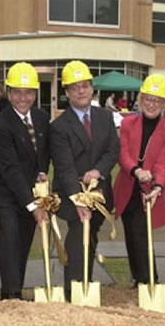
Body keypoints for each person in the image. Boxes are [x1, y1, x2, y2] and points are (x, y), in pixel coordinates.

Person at [50, 60, 120, 301]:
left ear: (92, 88)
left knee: (89, 239)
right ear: (67, 93)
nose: (81, 91)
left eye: (85, 85)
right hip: (73, 196)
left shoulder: (105, 117)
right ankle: (75, 289)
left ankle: (85, 283)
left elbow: (112, 151)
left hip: (99, 194)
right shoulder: (59, 126)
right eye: (75, 87)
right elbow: (65, 167)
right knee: (79, 237)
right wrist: (79, 200)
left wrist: (98, 171)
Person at [0, 62, 50, 300]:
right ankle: (9, 295)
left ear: (35, 93)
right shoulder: (0, 125)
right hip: (6, 192)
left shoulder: (42, 118)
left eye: (28, 92)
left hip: (31, 191)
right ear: (9, 93)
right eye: (17, 92)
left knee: (24, 239)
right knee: (10, 236)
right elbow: (11, 170)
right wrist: (33, 206)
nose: (23, 97)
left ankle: (18, 289)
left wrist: (43, 172)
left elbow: (44, 153)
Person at [113, 74, 165, 288]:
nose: (152, 104)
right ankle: (138, 277)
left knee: (141, 234)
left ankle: (149, 280)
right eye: (148, 99)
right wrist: (136, 170)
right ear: (141, 100)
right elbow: (123, 154)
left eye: (157, 100)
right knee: (131, 234)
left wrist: (158, 185)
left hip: (151, 191)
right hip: (129, 186)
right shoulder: (128, 123)